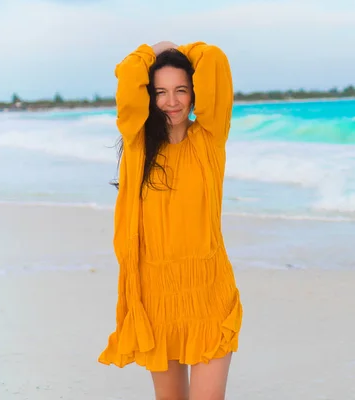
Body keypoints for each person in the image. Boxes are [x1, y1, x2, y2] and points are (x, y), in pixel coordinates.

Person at [98, 40, 243, 400]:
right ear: (149, 97)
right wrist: (151, 50)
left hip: (208, 291)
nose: (172, 101)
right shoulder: (137, 144)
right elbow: (127, 79)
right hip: (156, 295)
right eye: (160, 92)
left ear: (194, 93)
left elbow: (216, 63)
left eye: (181, 90)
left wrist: (182, 49)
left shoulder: (209, 139)